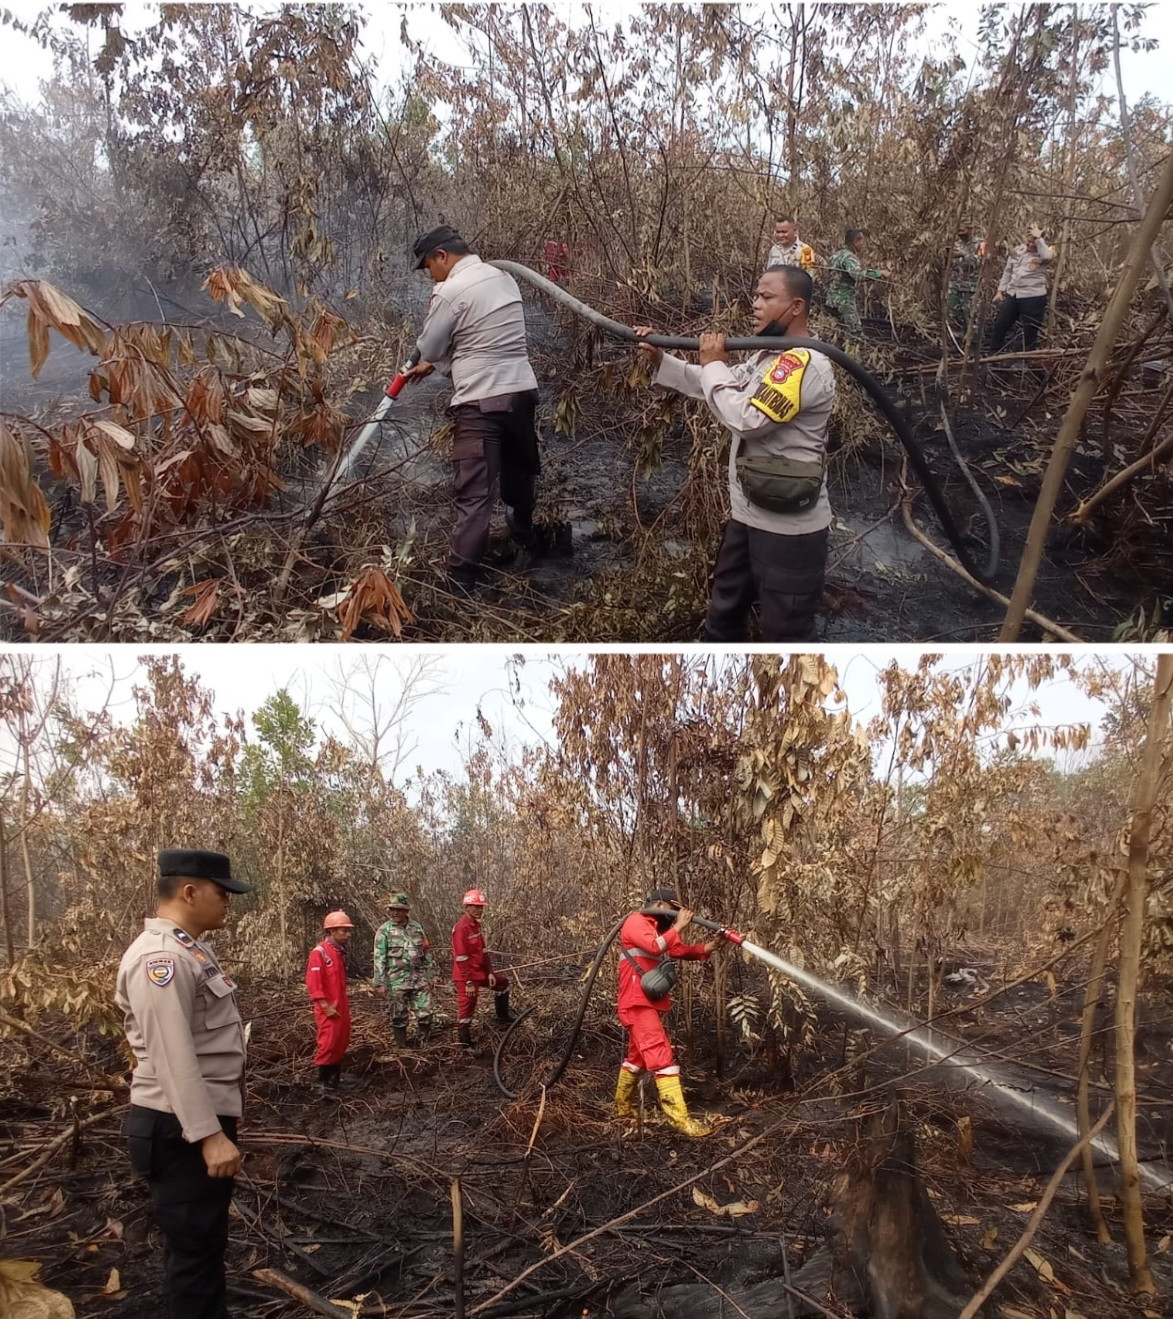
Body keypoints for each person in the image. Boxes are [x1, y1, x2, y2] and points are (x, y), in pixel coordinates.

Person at [636, 264, 836, 642]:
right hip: (747, 516)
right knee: (724, 614)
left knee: (785, 632)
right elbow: (723, 385)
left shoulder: (803, 364)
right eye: (756, 296)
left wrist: (713, 363)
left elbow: (746, 418)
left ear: (795, 307)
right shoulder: (769, 356)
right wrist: (664, 363)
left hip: (788, 533)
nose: (755, 305)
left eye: (766, 297)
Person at [116, 847, 253, 1319]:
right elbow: (173, 1057)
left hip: (192, 1122)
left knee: (201, 1248)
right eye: (222, 892)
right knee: (194, 1257)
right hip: (181, 1128)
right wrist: (210, 1136)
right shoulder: (162, 959)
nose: (228, 902)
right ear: (190, 892)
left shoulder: (188, 948)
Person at [402, 224, 542, 592]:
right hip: (522, 394)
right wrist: (441, 362)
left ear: (441, 256)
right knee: (520, 475)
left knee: (475, 496)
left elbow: (431, 347)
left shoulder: (449, 291)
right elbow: (487, 336)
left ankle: (459, 584)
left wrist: (435, 357)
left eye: (427, 267)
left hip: (481, 404)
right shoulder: (504, 278)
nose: (428, 275)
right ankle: (525, 535)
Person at [614, 888, 725, 1137]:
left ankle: (622, 1110)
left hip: (645, 1003)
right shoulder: (636, 921)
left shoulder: (656, 929)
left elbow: (677, 950)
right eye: (673, 910)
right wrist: (680, 926)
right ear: (660, 905)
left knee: (637, 1058)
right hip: (637, 1003)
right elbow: (655, 947)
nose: (675, 915)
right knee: (661, 1055)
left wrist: (710, 946)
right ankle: (679, 1120)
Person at [451, 887, 512, 1049]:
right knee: (467, 1008)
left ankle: (503, 1018)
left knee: (502, 983)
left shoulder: (475, 926)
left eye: (481, 907)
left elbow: (483, 952)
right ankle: (465, 1044)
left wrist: (490, 972)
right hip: (466, 977)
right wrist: (469, 982)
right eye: (476, 907)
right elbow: (461, 957)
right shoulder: (461, 928)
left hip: (480, 972)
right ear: (466, 907)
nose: (479, 910)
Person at [373, 891, 435, 1049]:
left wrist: (430, 975)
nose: (394, 912)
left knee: (425, 1012)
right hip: (396, 981)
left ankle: (423, 1044)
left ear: (406, 910)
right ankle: (401, 1047)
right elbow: (379, 958)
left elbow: (426, 951)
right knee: (398, 1016)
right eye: (392, 909)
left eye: (398, 909)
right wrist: (379, 983)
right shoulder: (384, 931)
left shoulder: (416, 927)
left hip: (419, 978)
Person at [305, 910, 353, 1089]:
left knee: (341, 1038)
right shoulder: (320, 953)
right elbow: (314, 983)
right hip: (328, 1005)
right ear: (332, 931)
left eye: (348, 931)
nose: (347, 935)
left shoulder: (338, 952)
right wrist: (324, 1005)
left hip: (340, 1002)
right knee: (328, 1041)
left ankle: (336, 1078)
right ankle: (324, 1081)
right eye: (343, 931)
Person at [989, 224, 1052, 353]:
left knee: (1030, 330)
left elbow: (1047, 257)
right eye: (1028, 241)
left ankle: (1028, 359)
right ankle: (993, 354)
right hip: (1014, 294)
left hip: (1033, 297)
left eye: (1032, 242)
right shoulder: (1018, 250)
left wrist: (1039, 239)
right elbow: (1008, 272)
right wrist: (1000, 291)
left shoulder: (1045, 251)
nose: (1029, 245)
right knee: (1000, 324)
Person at [827, 228, 891, 334]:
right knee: (855, 333)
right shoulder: (849, 257)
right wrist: (879, 273)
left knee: (838, 332)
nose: (864, 246)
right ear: (855, 242)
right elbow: (857, 275)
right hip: (845, 302)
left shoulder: (835, 255)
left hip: (831, 300)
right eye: (863, 242)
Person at [947, 221, 984, 326]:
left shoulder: (980, 244)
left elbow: (981, 261)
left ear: (970, 229)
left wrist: (963, 255)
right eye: (958, 231)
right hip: (954, 285)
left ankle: (972, 340)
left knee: (971, 316)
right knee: (953, 315)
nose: (960, 234)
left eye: (962, 231)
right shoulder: (955, 244)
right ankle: (956, 339)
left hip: (970, 286)